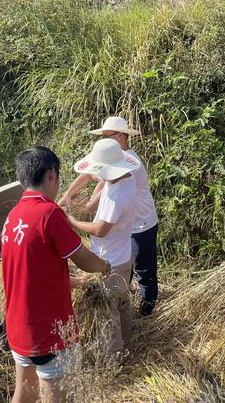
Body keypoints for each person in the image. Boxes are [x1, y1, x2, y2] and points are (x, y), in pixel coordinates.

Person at [2, 146, 111, 403]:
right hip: (50, 331)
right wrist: (105, 267)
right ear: (52, 174)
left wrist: (75, 283)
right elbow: (83, 259)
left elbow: (30, 273)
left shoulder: (13, 216)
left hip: (19, 327)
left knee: (25, 393)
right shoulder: (49, 213)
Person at [60, 116, 159, 316]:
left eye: (106, 135)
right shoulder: (115, 160)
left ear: (120, 136)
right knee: (125, 267)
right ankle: (126, 304)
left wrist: (85, 210)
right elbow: (90, 174)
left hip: (142, 224)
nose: (102, 140)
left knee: (143, 270)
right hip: (124, 224)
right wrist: (67, 195)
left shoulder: (129, 165)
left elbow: (104, 188)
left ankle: (147, 310)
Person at [68, 138, 140, 354]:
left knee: (109, 312)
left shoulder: (118, 195)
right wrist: (68, 195)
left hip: (110, 263)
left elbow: (100, 229)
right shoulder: (124, 179)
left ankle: (115, 356)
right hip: (122, 256)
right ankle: (129, 342)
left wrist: (72, 221)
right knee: (122, 303)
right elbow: (91, 175)